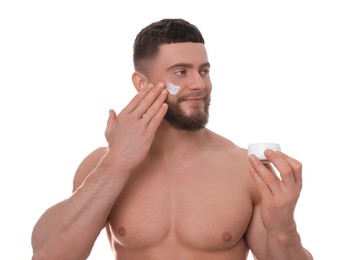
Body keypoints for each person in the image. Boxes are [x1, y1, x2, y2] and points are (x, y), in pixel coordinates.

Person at [31, 18, 313, 260]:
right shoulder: (102, 165)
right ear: (142, 84)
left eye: (204, 71)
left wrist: (283, 227)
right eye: (181, 72)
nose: (199, 84)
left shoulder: (245, 168)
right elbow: (47, 254)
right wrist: (116, 163)